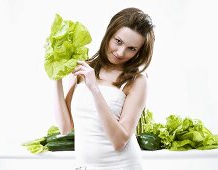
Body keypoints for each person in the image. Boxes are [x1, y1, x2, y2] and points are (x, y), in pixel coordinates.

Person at [54, 7, 155, 170]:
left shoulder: (137, 81)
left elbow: (119, 141)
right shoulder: (84, 69)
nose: (121, 52)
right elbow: (65, 127)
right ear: (109, 33)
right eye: (118, 41)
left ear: (139, 52)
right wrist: (56, 77)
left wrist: (95, 89)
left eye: (132, 48)